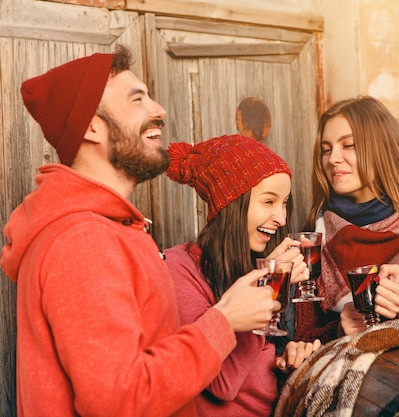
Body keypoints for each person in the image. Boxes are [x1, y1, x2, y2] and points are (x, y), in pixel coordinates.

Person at [1, 46, 280, 416]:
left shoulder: (111, 228)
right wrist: (224, 320)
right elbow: (118, 400)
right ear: (90, 126)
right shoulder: (83, 240)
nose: (158, 110)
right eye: (137, 99)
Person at [164, 134, 321, 417]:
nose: (282, 218)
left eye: (284, 203)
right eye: (268, 201)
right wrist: (268, 285)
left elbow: (259, 374)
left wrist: (286, 361)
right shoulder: (179, 269)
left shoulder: (254, 264)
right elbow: (224, 385)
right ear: (231, 204)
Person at [294, 95, 399, 344]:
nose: (332, 159)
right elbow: (303, 338)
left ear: (381, 147)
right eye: (326, 149)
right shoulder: (313, 235)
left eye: (348, 145)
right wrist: (339, 332)